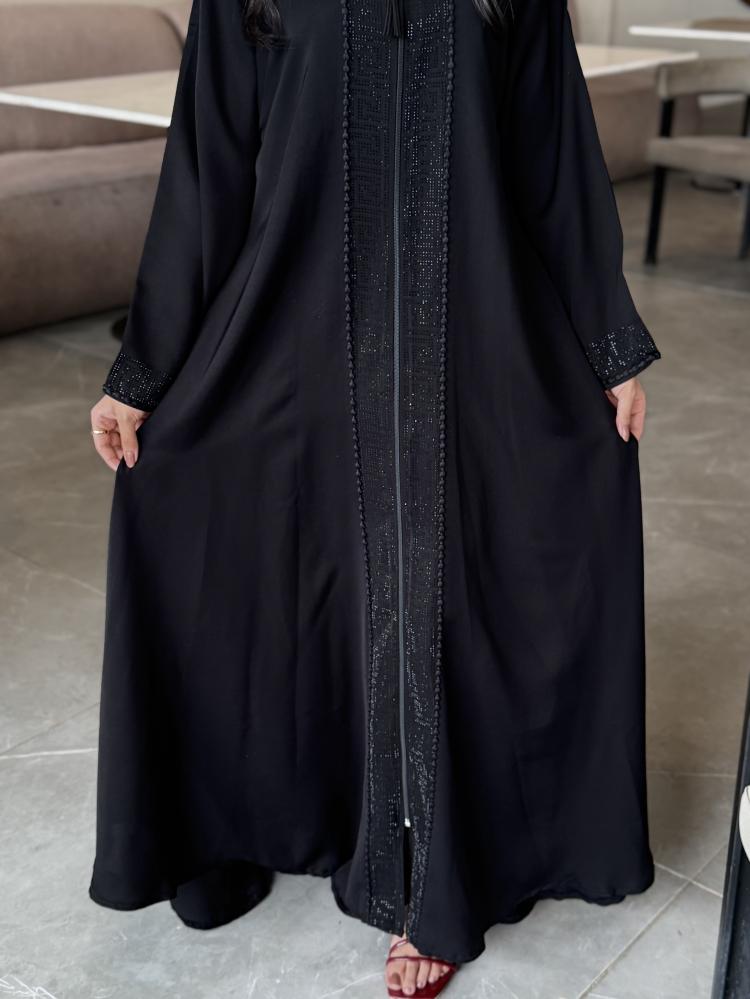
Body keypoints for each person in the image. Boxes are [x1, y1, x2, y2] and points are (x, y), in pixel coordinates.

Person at [88, 0, 661, 996]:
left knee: (458, 580)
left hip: (479, 325)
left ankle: (430, 880)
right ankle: (313, 818)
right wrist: (144, 373)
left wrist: (608, 344)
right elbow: (207, 166)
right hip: (295, 332)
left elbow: (555, 153)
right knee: (295, 570)